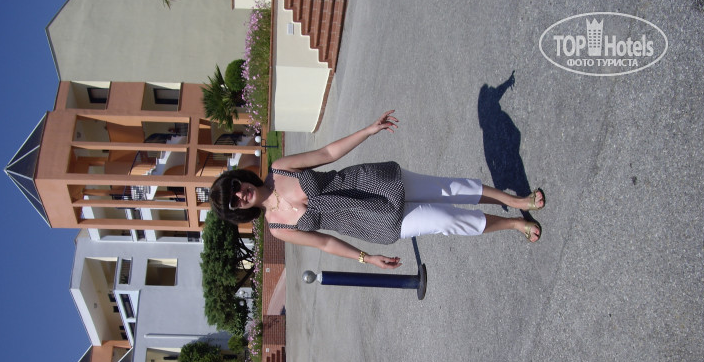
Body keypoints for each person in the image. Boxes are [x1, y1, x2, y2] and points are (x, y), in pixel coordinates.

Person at [209, 111, 545, 269]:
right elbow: (325, 242)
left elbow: (326, 154)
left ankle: (514, 200)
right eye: (234, 202)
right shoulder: (278, 229)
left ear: (240, 178)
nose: (240, 194)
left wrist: (367, 131)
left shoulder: (281, 168)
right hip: (373, 223)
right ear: (239, 212)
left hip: (374, 182)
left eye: (235, 187)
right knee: (446, 221)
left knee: (448, 190)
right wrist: (365, 257)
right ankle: (514, 223)